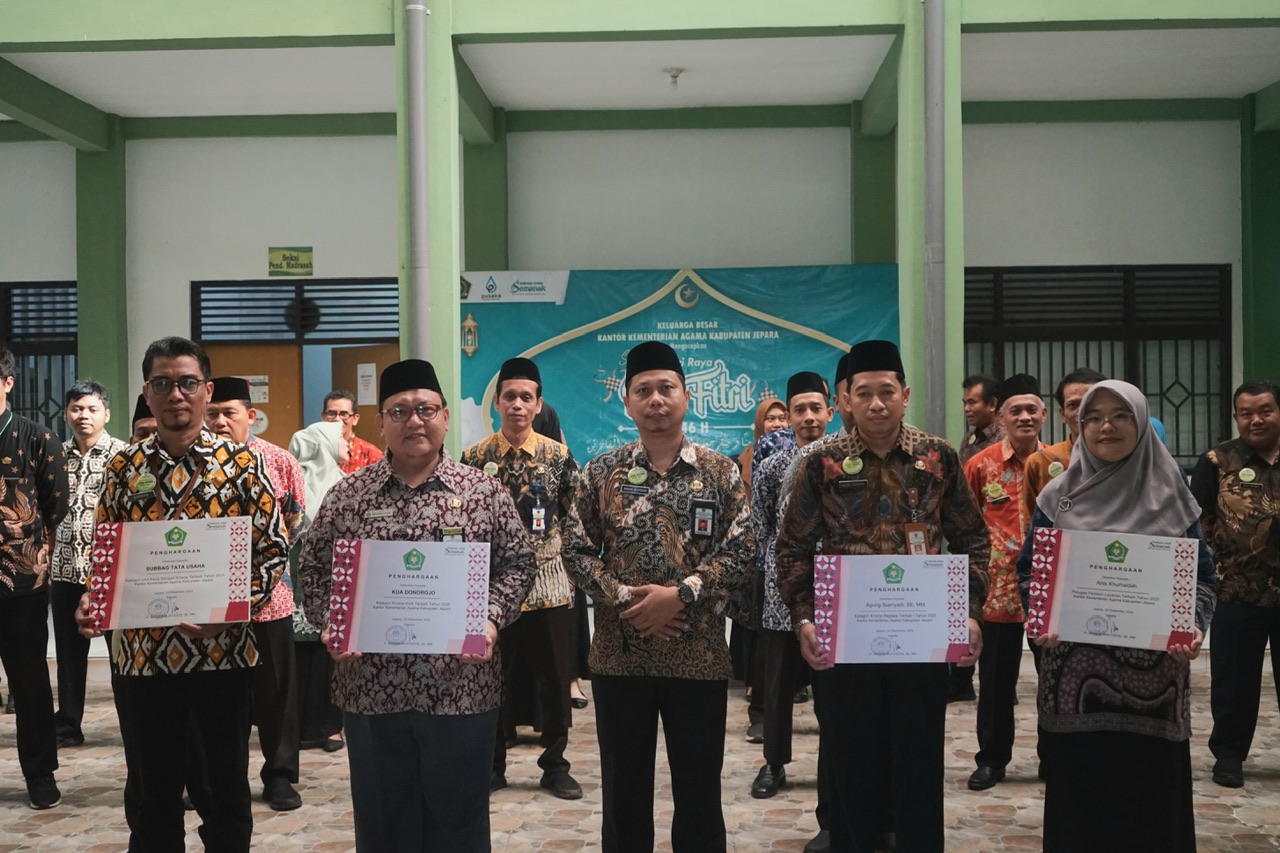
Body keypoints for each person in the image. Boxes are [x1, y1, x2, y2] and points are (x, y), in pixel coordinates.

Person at [298, 359, 536, 852]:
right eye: (400, 410)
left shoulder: (482, 492)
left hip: (461, 688)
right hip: (370, 688)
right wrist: (334, 623)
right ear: (380, 421)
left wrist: (490, 620)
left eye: (426, 408)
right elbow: (315, 569)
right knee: (384, 823)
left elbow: (518, 564)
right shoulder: (349, 496)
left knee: (460, 821)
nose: (414, 420)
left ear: (445, 417)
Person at [75, 336, 288, 852]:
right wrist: (94, 599)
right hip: (145, 661)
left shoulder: (242, 466)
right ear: (147, 393)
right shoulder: (124, 469)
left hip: (224, 655)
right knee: (153, 797)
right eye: (163, 383)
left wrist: (232, 609)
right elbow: (108, 551)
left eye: (188, 383)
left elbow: (274, 551)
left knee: (226, 796)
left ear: (206, 390)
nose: (176, 394)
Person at [776, 339, 988, 853]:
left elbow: (974, 539)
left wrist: (969, 613)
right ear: (845, 398)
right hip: (845, 644)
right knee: (851, 765)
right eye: (864, 393)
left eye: (887, 392)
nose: (876, 404)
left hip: (921, 640)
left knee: (918, 765)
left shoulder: (938, 458)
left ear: (905, 394)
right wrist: (805, 619)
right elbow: (792, 548)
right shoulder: (821, 462)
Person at [562, 341, 753, 853]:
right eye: (642, 390)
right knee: (624, 798)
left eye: (666, 388)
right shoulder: (602, 473)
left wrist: (682, 594)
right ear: (626, 402)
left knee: (699, 795)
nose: (655, 399)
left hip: (700, 656)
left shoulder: (719, 471)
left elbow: (743, 550)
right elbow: (575, 550)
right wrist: (626, 598)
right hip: (621, 660)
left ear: (686, 396)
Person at [1018, 379, 1215, 852]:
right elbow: (1031, 572)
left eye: (1120, 415)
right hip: (1075, 684)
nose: (1106, 427)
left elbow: (1203, 577)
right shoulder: (1057, 498)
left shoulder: (1173, 497)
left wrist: (1192, 625)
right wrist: (1039, 615)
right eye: (1093, 417)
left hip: (1155, 687)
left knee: (1151, 801)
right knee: (1080, 799)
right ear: (1079, 426)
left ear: (1142, 423)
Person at [462, 357, 582, 799]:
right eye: (509, 396)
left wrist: (568, 569)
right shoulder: (474, 458)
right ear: (497, 403)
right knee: (490, 677)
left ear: (538, 404)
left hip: (546, 578)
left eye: (525, 397)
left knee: (554, 677)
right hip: (491, 586)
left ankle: (555, 765)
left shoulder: (558, 457)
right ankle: (492, 765)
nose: (516, 405)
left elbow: (576, 520)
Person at [204, 376, 306, 810]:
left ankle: (280, 775)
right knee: (216, 695)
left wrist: (260, 566)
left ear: (251, 415)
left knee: (276, 692)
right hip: (208, 600)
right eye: (213, 413)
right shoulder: (196, 462)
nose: (221, 421)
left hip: (270, 598)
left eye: (230, 413)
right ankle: (214, 778)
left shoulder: (279, 461)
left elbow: (296, 520)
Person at [1190, 380, 1280, 789]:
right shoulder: (1216, 461)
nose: (1255, 419)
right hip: (1236, 592)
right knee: (1233, 682)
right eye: (1246, 412)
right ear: (1236, 416)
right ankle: (1228, 756)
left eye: (1265, 410)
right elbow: (1199, 520)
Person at [750, 371, 833, 801]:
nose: (808, 417)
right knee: (778, 685)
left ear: (830, 411)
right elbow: (761, 528)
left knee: (831, 684)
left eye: (815, 408)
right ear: (789, 417)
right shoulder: (771, 467)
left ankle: (834, 764)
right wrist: (780, 573)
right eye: (799, 409)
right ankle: (773, 763)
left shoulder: (842, 462)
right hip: (784, 592)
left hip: (835, 592)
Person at [963, 373, 1046, 791]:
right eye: (1016, 410)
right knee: (995, 684)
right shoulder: (981, 465)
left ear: (1044, 414)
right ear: (1002, 415)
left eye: (1032, 409)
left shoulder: (1062, 465)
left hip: (1051, 592)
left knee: (1054, 679)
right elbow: (965, 526)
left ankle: (1054, 757)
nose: (1025, 417)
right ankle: (992, 760)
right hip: (998, 593)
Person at [0, 344, 70, 810]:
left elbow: (55, 504)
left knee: (28, 682)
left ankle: (40, 773)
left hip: (19, 584)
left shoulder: (36, 438)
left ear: (7, 382)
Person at [50, 379, 127, 749]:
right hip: (64, 570)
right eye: (77, 408)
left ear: (106, 414)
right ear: (66, 414)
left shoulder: (124, 456)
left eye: (92, 409)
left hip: (112, 572)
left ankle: (132, 719)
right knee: (68, 654)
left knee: (122, 652)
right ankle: (68, 725)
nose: (84, 416)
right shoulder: (53, 454)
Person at [287, 420, 348, 754]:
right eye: (340, 438)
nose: (348, 443)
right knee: (299, 657)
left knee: (328, 657)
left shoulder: (345, 483)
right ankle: (298, 727)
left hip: (336, 584)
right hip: (297, 585)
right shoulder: (293, 482)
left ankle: (330, 726)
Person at [1021, 368, 1107, 519]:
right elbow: (1033, 529)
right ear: (1063, 414)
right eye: (1073, 405)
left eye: (1090, 402)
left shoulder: (1128, 460)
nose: (1082, 411)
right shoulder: (1040, 462)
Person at [321, 389, 382, 475]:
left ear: (355, 419)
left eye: (343, 414)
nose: (337, 419)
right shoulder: (314, 451)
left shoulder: (371, 455)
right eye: (331, 413)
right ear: (323, 417)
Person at [960, 373, 1004, 466]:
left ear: (992, 404)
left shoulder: (1007, 440)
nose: (966, 408)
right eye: (965, 403)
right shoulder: (969, 437)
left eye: (972, 402)